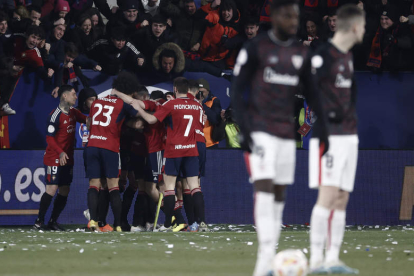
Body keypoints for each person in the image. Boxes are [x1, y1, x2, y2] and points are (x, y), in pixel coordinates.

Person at [230, 0, 328, 275]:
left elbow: (312, 93)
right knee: (263, 187)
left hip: (286, 134)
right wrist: (244, 129)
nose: (294, 20)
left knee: (279, 192)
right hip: (261, 130)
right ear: (274, 17)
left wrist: (324, 127)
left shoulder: (301, 52)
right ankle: (263, 260)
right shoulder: (256, 47)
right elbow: (237, 89)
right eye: (288, 15)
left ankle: (270, 253)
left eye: (296, 15)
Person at [308, 5, 365, 274]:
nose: (364, 30)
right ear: (354, 27)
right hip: (329, 136)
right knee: (327, 196)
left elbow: (350, 93)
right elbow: (310, 90)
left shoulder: (347, 57)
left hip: (349, 136)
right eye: (363, 26)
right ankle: (316, 261)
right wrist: (329, 116)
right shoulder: (323, 55)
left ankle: (333, 259)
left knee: (342, 197)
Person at [113, 77, 208, 232]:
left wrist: (140, 111)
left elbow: (150, 120)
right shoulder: (197, 106)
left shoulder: (170, 104)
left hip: (173, 150)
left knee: (169, 188)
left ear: (175, 89)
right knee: (195, 187)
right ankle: (201, 222)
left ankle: (169, 224)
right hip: (192, 150)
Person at [86, 71, 140, 232]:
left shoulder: (96, 102)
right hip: (109, 147)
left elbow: (89, 124)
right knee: (113, 187)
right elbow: (138, 119)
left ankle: (93, 222)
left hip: (92, 145)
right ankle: (117, 225)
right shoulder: (123, 104)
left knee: (93, 185)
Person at [34, 85, 87, 231]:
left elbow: (87, 120)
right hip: (54, 157)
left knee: (65, 190)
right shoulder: (55, 115)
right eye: (73, 94)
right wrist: (60, 152)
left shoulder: (74, 113)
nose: (76, 97)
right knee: (51, 188)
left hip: (68, 159)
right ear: (64, 96)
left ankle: (53, 221)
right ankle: (39, 221)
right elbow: (49, 139)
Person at [366, 5, 412, 71]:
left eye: (386, 19)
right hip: (380, 70)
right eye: (381, 19)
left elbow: (408, 43)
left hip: (401, 72)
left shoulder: (401, 28)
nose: (383, 21)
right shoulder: (377, 31)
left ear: (393, 19)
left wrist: (395, 41)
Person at [198, 78, 222, 148]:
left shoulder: (215, 101)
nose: (200, 94)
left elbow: (215, 119)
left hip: (210, 143)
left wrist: (201, 104)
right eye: (198, 92)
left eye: (203, 92)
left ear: (208, 92)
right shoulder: (191, 101)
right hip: (195, 143)